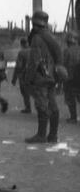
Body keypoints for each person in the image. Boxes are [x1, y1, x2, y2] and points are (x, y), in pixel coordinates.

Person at [23, 11, 64, 143]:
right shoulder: (52, 37)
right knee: (53, 105)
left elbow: (34, 61)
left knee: (41, 106)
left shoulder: (37, 38)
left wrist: (28, 79)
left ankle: (41, 136)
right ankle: (53, 135)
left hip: (40, 77)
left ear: (34, 23)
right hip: (52, 77)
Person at [12, 37, 32, 113]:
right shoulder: (34, 51)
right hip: (35, 75)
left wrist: (14, 78)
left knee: (25, 92)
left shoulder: (22, 53)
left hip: (24, 75)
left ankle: (28, 108)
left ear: (22, 44)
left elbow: (18, 66)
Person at [63, 32, 79, 123]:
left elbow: (63, 64)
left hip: (70, 78)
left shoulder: (67, 51)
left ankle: (73, 117)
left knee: (70, 98)